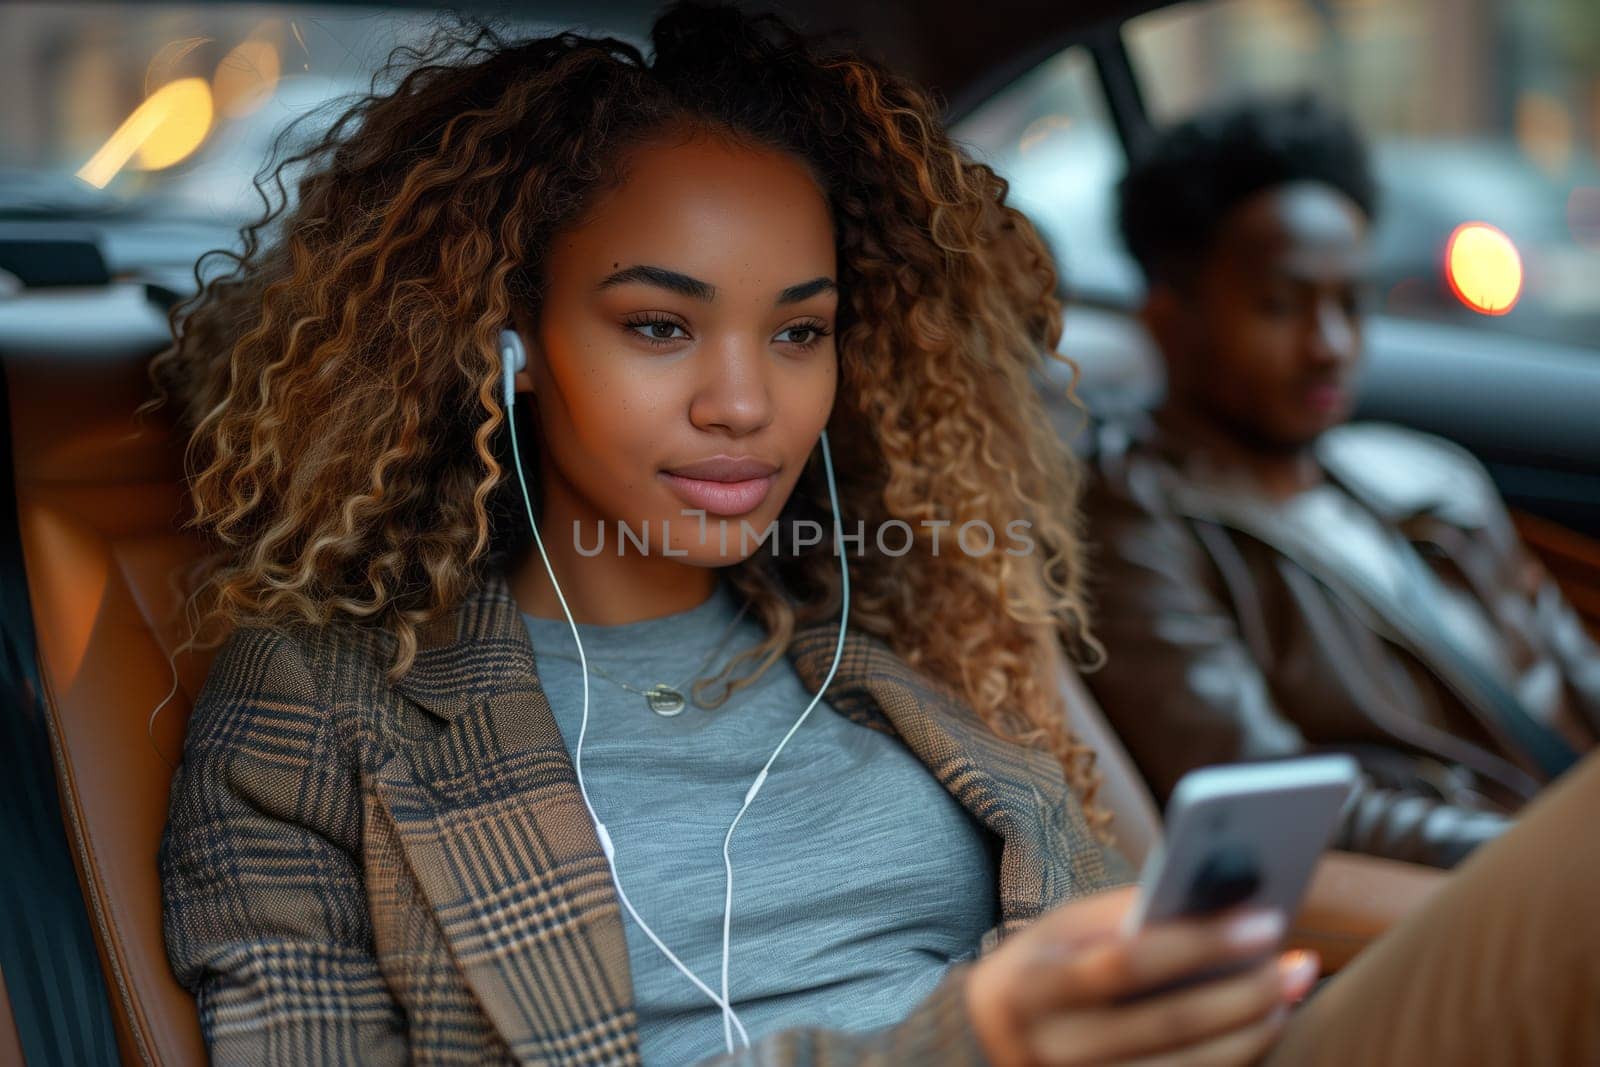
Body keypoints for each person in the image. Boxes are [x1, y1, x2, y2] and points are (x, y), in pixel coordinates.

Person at [147, 7, 1599, 1064]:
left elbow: (1115, 924)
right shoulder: (323, 707)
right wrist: (975, 1039)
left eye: (801, 331)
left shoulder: (887, 621)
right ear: (510, 340)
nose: (743, 403)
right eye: (659, 325)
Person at [1082, 93, 1600, 871]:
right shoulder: (1136, 517)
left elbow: (1578, 672)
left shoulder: (1429, 474)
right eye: (1280, 305)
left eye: (1350, 302)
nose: (1331, 345)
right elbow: (1271, 801)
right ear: (1167, 318)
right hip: (1482, 899)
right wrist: (1551, 857)